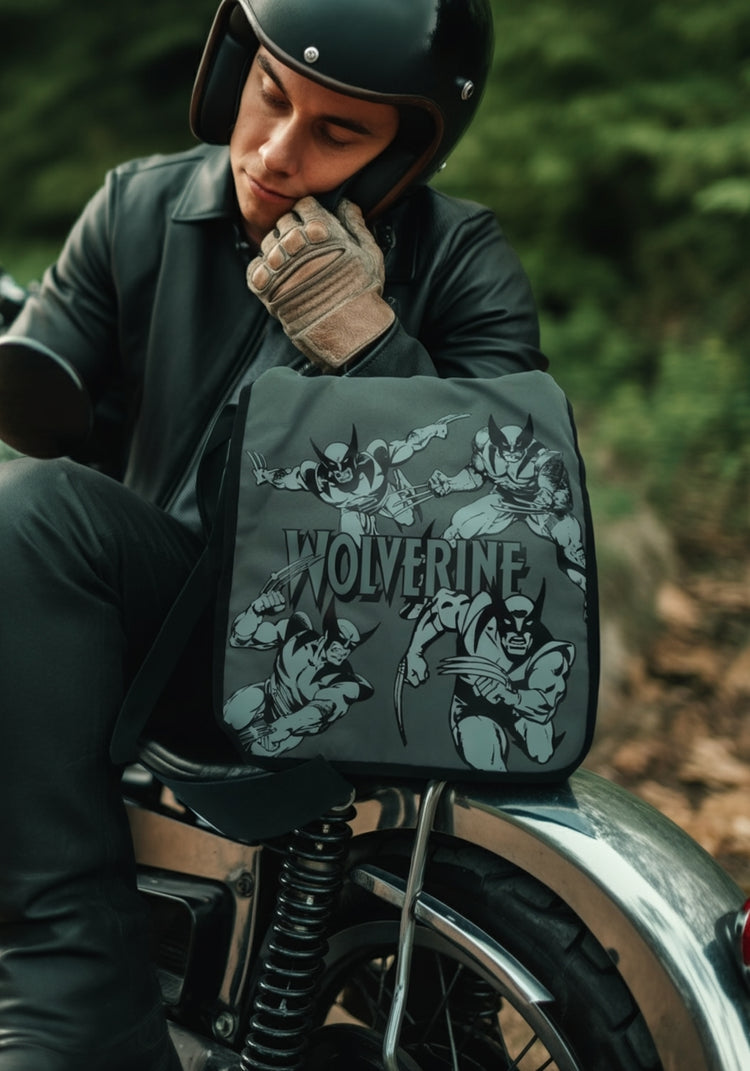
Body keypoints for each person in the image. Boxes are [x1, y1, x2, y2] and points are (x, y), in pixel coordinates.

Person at [0, 0, 547, 1067]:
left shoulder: (461, 257)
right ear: (228, 75)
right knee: (28, 514)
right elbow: (47, 394)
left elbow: (511, 535)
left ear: (405, 150)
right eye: (268, 96)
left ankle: (72, 1008)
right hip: (167, 641)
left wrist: (370, 346)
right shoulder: (139, 206)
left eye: (338, 132)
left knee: (31, 510)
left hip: (367, 648)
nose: (277, 153)